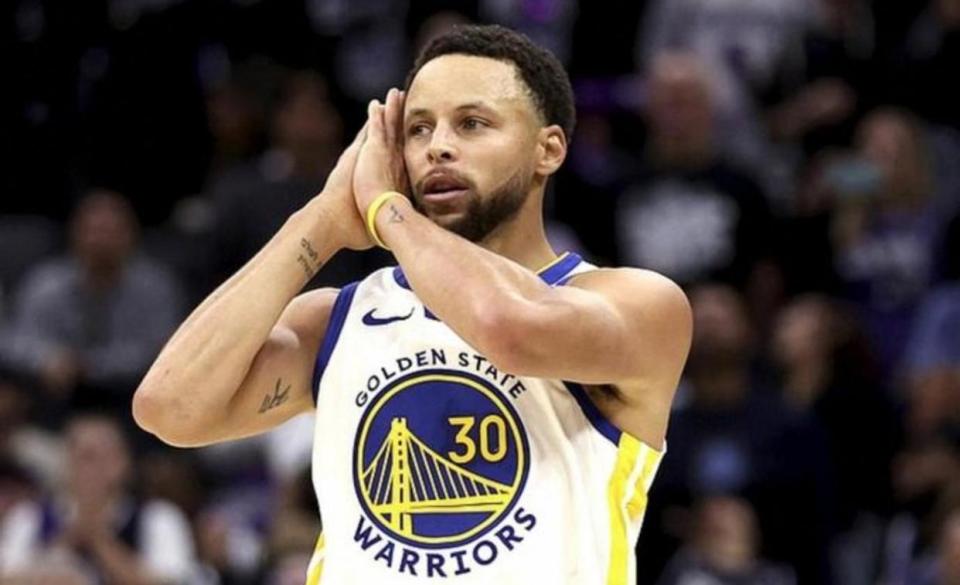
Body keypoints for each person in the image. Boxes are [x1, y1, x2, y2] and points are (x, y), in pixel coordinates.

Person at [133, 25, 692, 584]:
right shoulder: (339, 319)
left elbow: (508, 330)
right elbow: (168, 408)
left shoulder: (636, 303)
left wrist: (386, 210)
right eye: (418, 129)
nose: (437, 147)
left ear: (548, 149)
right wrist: (322, 219)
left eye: (472, 124)